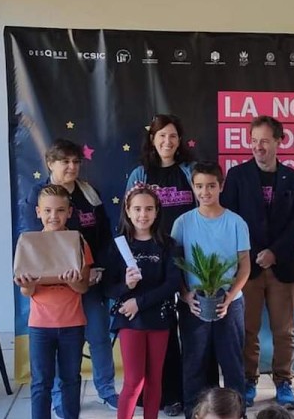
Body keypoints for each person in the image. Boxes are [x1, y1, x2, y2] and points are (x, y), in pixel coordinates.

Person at [20, 139, 118, 416]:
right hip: (51, 292)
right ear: (50, 163)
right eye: (65, 161)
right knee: (51, 353)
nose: (72, 167)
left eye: (76, 161)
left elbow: (104, 234)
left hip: (89, 278)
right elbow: (32, 242)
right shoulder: (38, 195)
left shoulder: (89, 193)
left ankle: (106, 389)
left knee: (98, 335)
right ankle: (59, 401)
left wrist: (97, 267)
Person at [126, 114, 209, 416]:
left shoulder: (189, 171)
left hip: (189, 259)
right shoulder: (140, 174)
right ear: (152, 139)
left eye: (172, 136)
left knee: (192, 328)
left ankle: (188, 394)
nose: (167, 142)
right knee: (159, 329)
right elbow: (129, 219)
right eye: (161, 136)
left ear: (180, 140)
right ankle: (159, 393)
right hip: (151, 260)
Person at [221, 116, 294, 409]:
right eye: (254, 140)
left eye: (265, 140)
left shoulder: (293, 178)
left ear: (279, 141)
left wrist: (274, 253)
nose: (259, 147)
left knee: (285, 330)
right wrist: (256, 252)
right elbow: (229, 220)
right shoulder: (237, 176)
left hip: (283, 267)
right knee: (247, 329)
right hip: (248, 267)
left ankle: (284, 382)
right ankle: (248, 381)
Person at [171, 161, 251, 419]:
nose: (205, 192)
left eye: (211, 186)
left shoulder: (236, 222)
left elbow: (244, 266)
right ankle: (195, 413)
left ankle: (237, 413)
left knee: (232, 364)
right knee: (194, 363)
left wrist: (229, 297)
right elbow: (176, 265)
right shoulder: (182, 223)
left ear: (221, 186)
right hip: (193, 304)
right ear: (193, 188)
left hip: (230, 303)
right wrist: (185, 295)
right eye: (199, 186)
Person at [104, 185, 183, 419]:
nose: (143, 214)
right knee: (133, 381)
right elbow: (107, 287)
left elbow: (171, 284)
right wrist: (125, 287)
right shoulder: (118, 245)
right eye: (137, 209)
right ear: (127, 211)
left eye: (148, 209)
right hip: (131, 321)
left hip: (160, 319)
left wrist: (139, 301)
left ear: (157, 211)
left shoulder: (168, 245)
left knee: (155, 380)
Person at [14, 184, 91, 419]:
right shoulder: (29, 244)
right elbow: (26, 291)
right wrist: (26, 284)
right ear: (38, 212)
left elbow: (83, 287)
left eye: (59, 210)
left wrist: (72, 282)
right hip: (40, 326)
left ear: (69, 212)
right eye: (47, 211)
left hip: (72, 324)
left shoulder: (79, 242)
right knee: (40, 383)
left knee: (70, 380)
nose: (53, 216)